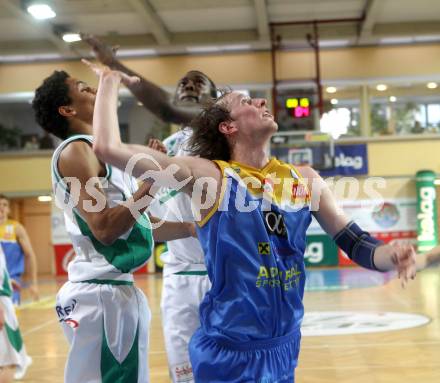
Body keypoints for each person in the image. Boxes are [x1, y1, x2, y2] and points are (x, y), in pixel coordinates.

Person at [87, 63, 416, 382]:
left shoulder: (305, 179)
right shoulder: (208, 176)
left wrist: (391, 255)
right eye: (246, 102)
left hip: (283, 346)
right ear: (228, 127)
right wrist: (110, 81)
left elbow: (355, 242)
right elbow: (108, 147)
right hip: (230, 352)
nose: (261, 102)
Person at [32, 70, 196, 383]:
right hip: (101, 295)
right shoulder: (75, 150)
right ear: (67, 110)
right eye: (83, 87)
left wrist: (189, 229)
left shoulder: (99, 152)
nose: (93, 88)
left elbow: (137, 224)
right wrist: (151, 183)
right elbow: (105, 229)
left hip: (111, 291)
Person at [83, 34, 217, 382]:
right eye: (183, 83)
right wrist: (151, 182)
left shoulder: (223, 137)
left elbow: (170, 111)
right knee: (185, 375)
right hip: (179, 277)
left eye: (198, 83)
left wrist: (114, 69)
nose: (188, 85)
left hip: (225, 272)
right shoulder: (163, 151)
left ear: (216, 101)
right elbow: (146, 223)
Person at [0, 243, 32, 382]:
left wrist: (7, 280)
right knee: (6, 360)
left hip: (4, 298)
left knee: (7, 359)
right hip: (2, 302)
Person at [0, 195, 39, 305]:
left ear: (8, 209)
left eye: (4, 205)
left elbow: (30, 255)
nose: (1, 207)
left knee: (9, 319)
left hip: (12, 281)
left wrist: (34, 283)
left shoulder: (16, 228)